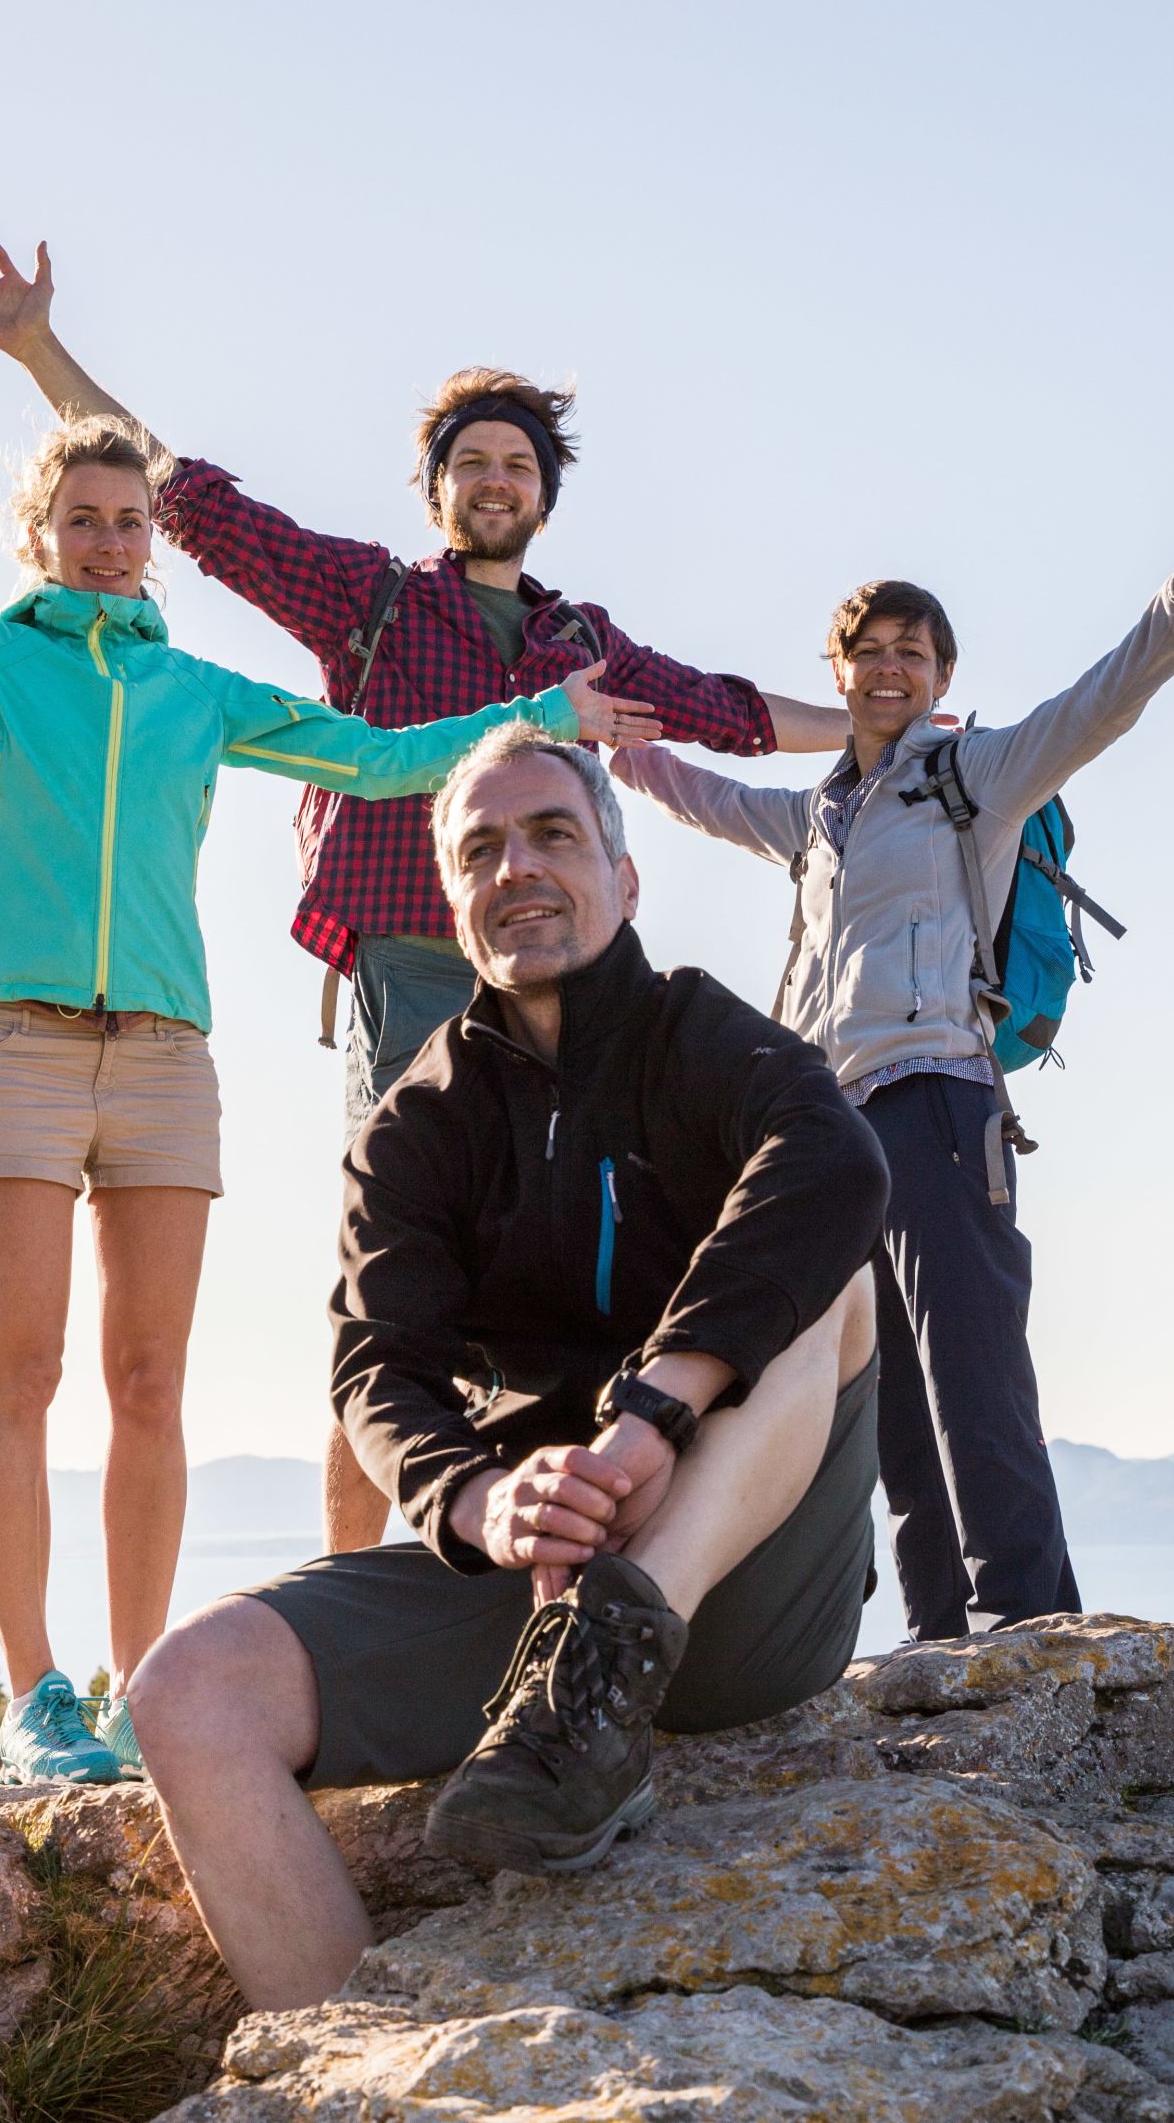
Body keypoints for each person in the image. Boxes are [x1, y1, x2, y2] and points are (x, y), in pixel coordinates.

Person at [0, 230, 854, 1551]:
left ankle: (553, 1538)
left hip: (567, 996)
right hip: (415, 965)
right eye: (471, 462)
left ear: (543, 496)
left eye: (517, 465)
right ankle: (353, 1579)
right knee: (406, 1279)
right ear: (437, 491)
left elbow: (727, 710)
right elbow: (193, 505)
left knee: (557, 1274)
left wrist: (876, 727)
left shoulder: (581, 644)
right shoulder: (366, 599)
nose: (495, 480)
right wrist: (39, 350)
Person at [0, 415, 660, 1783]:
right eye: (82, 519)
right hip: (13, 1040)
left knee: (149, 1381)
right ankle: (34, 1690)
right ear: (38, 533)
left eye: (129, 520)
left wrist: (538, 716)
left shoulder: (195, 691)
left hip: (166, 1055)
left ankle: (134, 1690)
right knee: (26, 1372)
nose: (108, 542)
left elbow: (381, 757)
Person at [126, 723, 887, 2010]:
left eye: (550, 834)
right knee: (186, 1690)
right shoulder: (417, 1122)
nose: (515, 867)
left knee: (833, 1276)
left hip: (742, 1581)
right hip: (535, 1576)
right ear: (452, 901)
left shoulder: (703, 1037)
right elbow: (376, 1367)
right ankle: (364, 2070)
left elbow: (836, 1163)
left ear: (623, 877)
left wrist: (647, 1424)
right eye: (479, 849)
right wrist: (485, 1502)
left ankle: (613, 1647)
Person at [610, 470, 1174, 1639]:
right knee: (891, 1404)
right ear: (836, 672)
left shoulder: (975, 776)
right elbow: (704, 795)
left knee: (972, 1369)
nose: (888, 669)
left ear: (940, 675)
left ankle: (1025, 1624)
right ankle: (936, 1637)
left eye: (911, 653)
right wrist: (615, 742)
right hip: (829, 1129)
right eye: (868, 651)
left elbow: (1102, 700)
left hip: (936, 1098)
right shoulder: (817, 815)